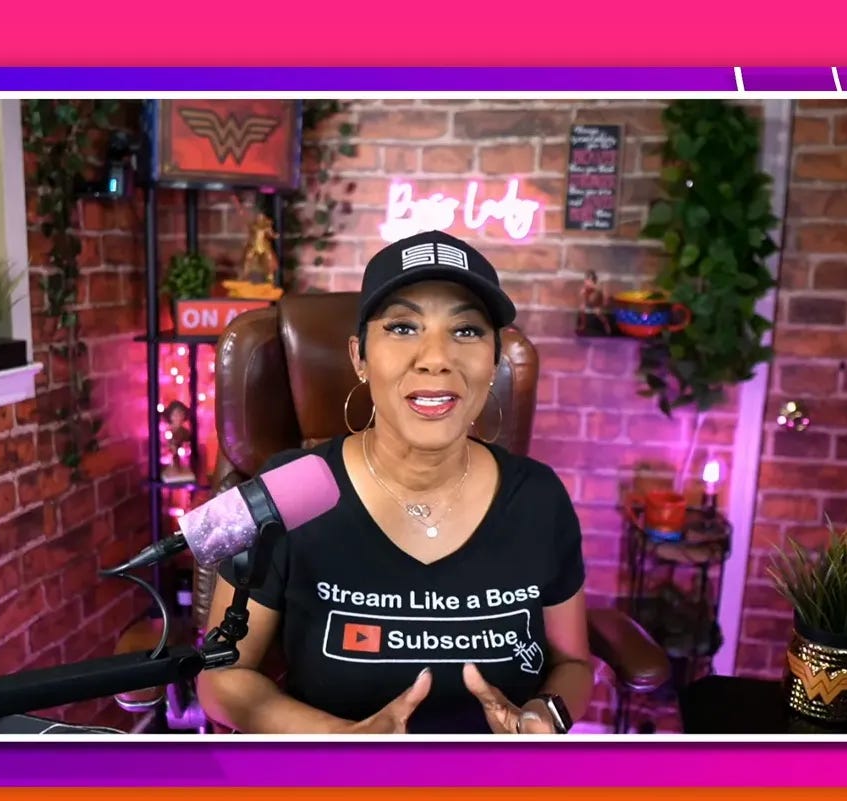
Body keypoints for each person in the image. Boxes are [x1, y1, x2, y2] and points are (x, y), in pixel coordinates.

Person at [196, 230, 593, 735]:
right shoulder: (279, 486)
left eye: (466, 331)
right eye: (403, 327)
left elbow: (575, 666)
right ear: (359, 356)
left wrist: (545, 715)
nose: (435, 357)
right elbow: (218, 677)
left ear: (495, 361)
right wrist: (341, 741)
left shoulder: (542, 497)